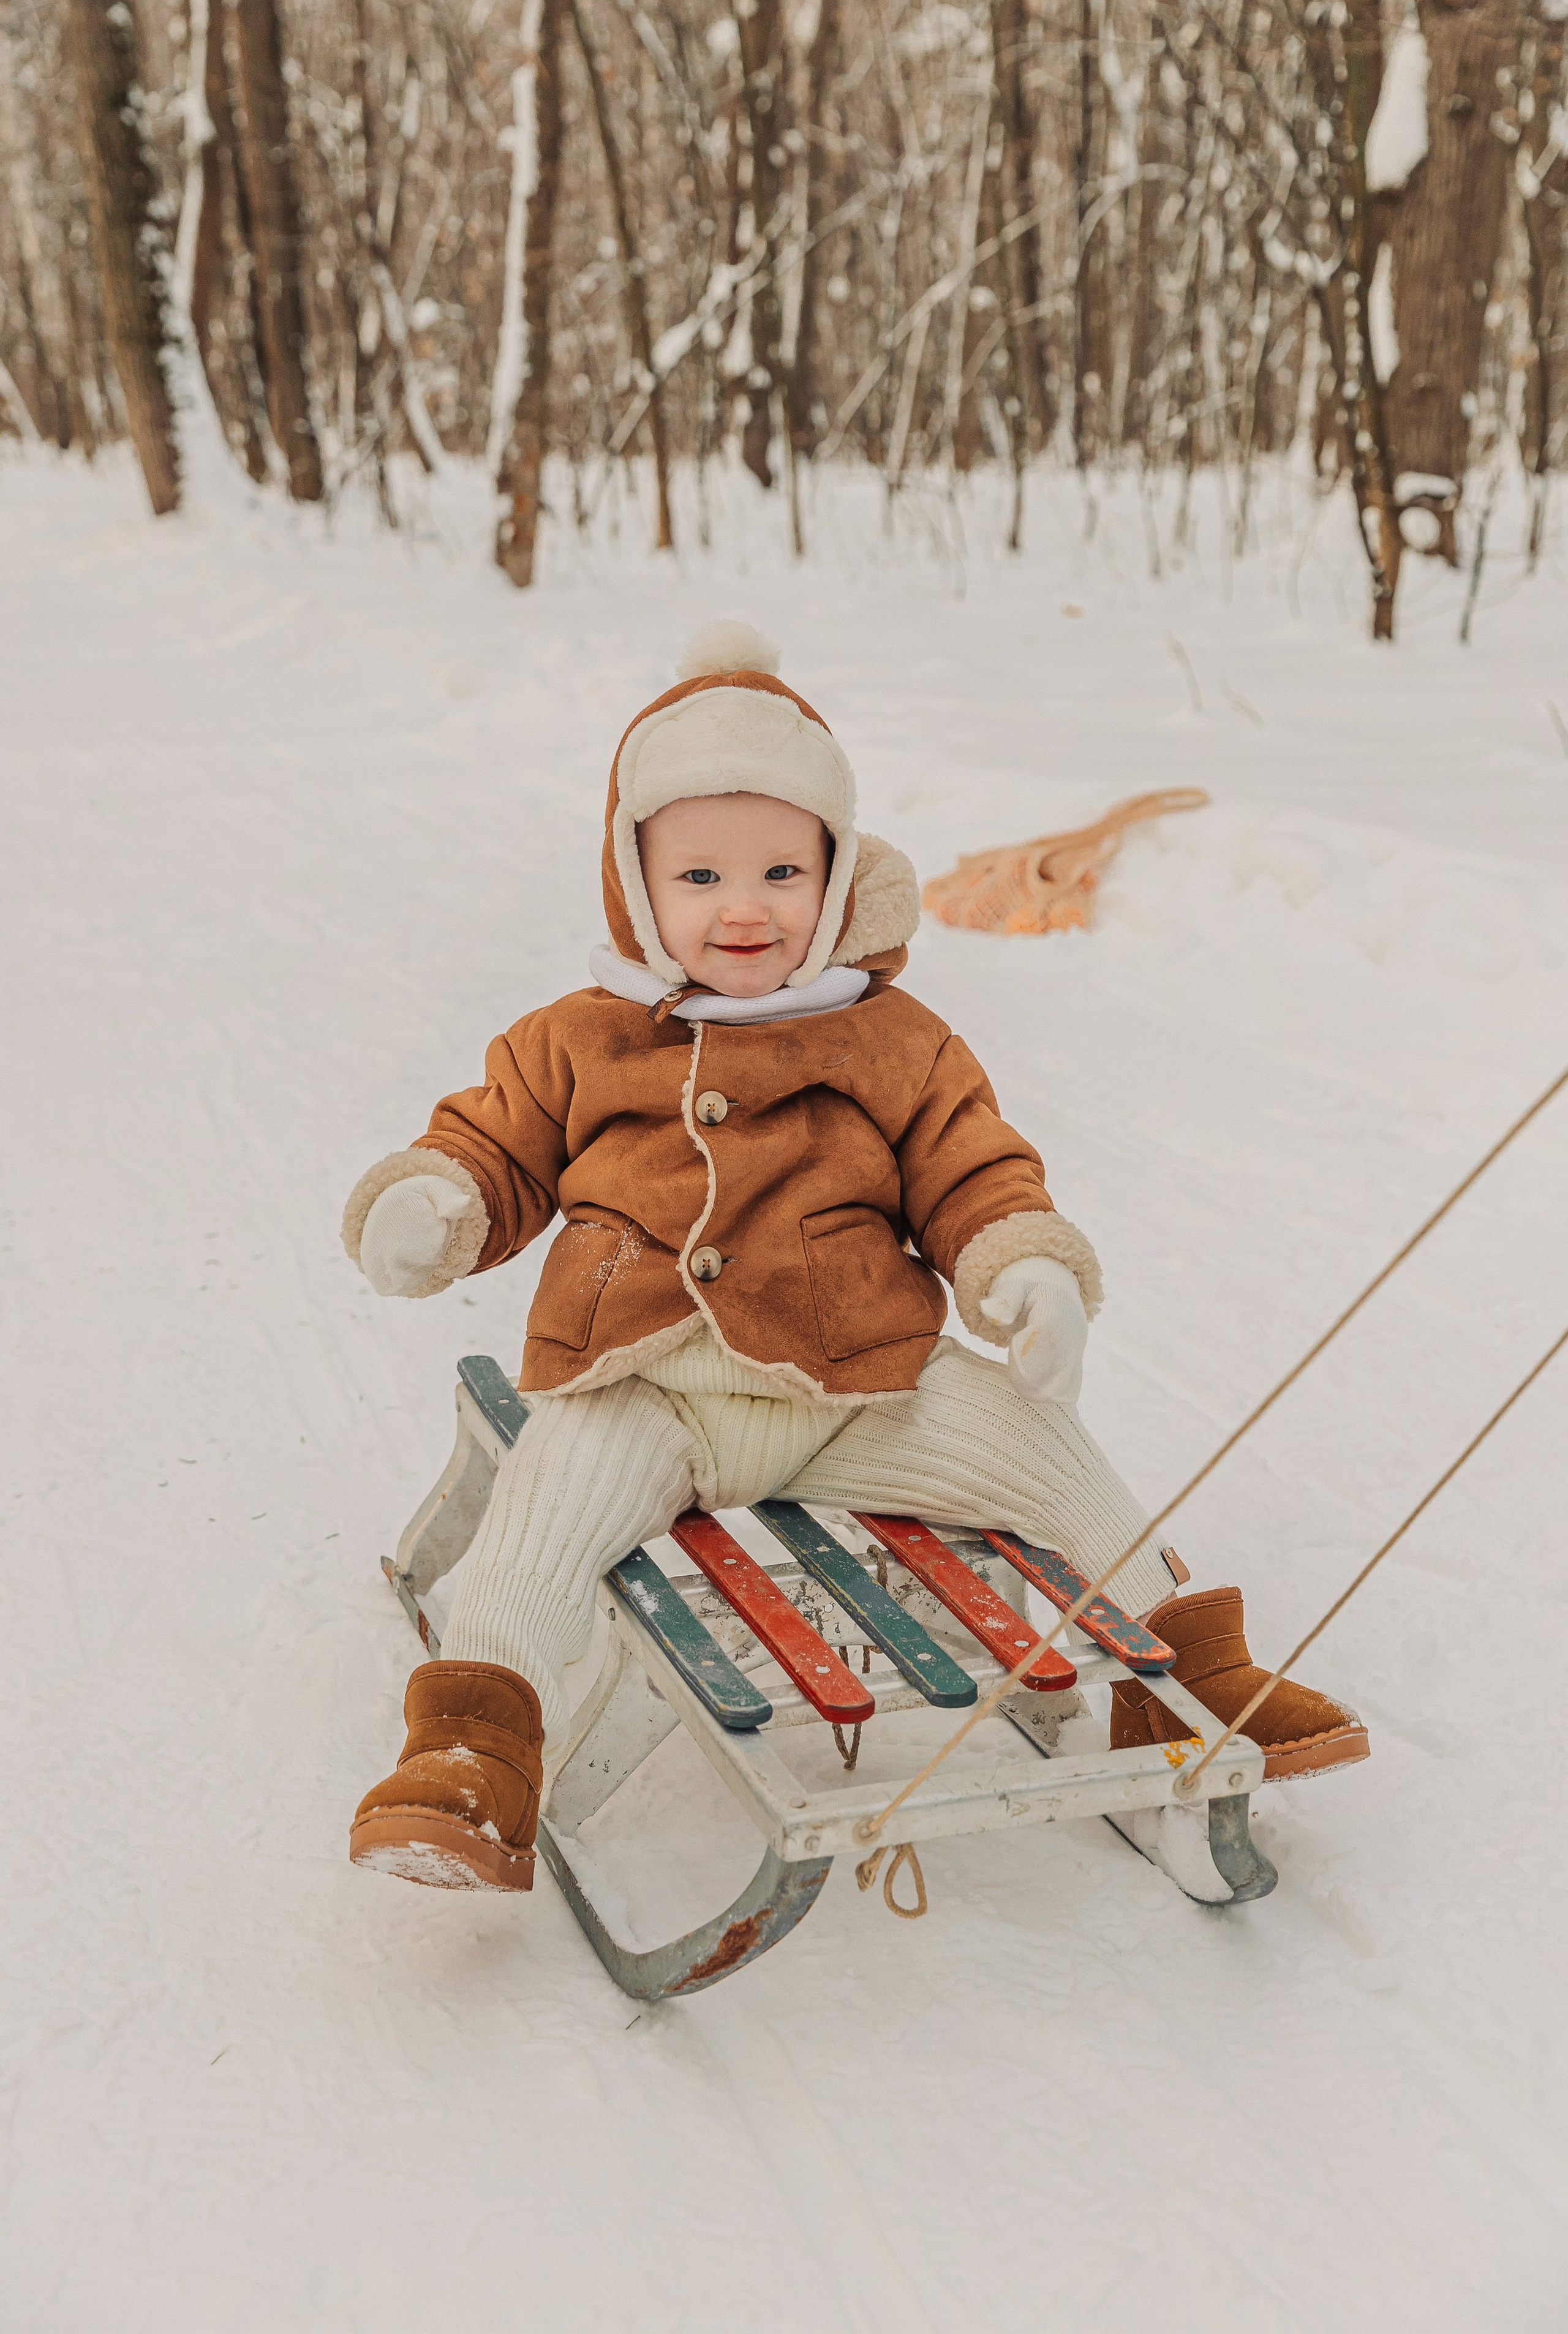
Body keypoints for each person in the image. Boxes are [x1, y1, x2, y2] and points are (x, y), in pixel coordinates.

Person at [342, 623, 1367, 1893]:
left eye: (780, 869)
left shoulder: (890, 1039)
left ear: (832, 877)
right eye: (701, 876)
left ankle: (1188, 1686)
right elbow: (492, 1142)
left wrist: (1017, 1270)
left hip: (859, 1383)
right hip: (642, 1388)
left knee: (1050, 1454)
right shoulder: (583, 1037)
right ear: (633, 880)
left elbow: (970, 1166)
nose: (743, 908)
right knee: (537, 1533)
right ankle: (473, 1752)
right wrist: (437, 1204)